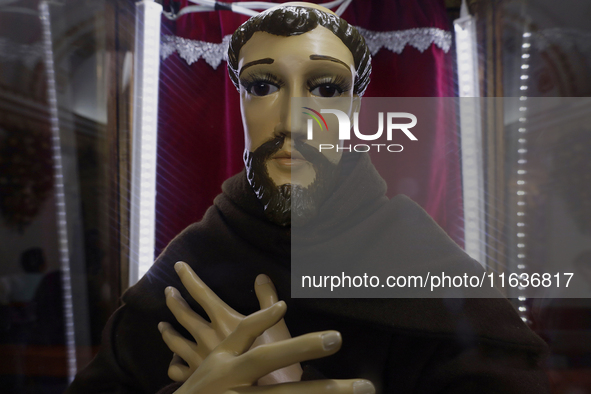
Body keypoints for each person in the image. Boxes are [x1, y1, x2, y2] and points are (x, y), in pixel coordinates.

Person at [66, 3, 550, 393]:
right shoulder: (188, 268)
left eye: (324, 88)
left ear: (355, 107)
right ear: (239, 101)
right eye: (262, 85)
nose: (293, 120)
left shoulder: (434, 275)